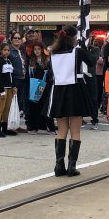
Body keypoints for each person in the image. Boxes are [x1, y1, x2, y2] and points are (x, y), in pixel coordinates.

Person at [46, 25, 87, 175]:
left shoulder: (53, 53)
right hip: (75, 91)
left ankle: (59, 166)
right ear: (74, 37)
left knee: (61, 130)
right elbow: (92, 62)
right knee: (75, 130)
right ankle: (71, 166)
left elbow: (51, 73)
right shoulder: (78, 51)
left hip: (58, 92)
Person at [0, 40, 16, 138]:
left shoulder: (9, 61)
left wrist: (14, 86)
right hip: (2, 88)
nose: (7, 52)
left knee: (7, 108)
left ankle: (5, 128)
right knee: (0, 108)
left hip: (9, 87)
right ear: (1, 51)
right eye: (5, 50)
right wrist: (1, 90)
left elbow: (11, 75)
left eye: (8, 50)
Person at [25, 42, 51, 134]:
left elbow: (50, 73)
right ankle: (33, 127)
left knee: (46, 106)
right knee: (34, 106)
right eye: (35, 49)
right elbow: (28, 75)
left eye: (38, 49)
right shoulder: (31, 60)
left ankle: (48, 127)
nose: (36, 51)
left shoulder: (47, 60)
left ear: (42, 50)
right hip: (34, 85)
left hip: (45, 86)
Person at [9, 30, 28, 132]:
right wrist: (12, 84)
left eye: (19, 38)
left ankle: (16, 124)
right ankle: (11, 125)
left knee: (19, 103)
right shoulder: (10, 52)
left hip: (23, 79)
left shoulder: (21, 52)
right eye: (15, 38)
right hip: (15, 79)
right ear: (11, 40)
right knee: (13, 103)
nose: (17, 40)